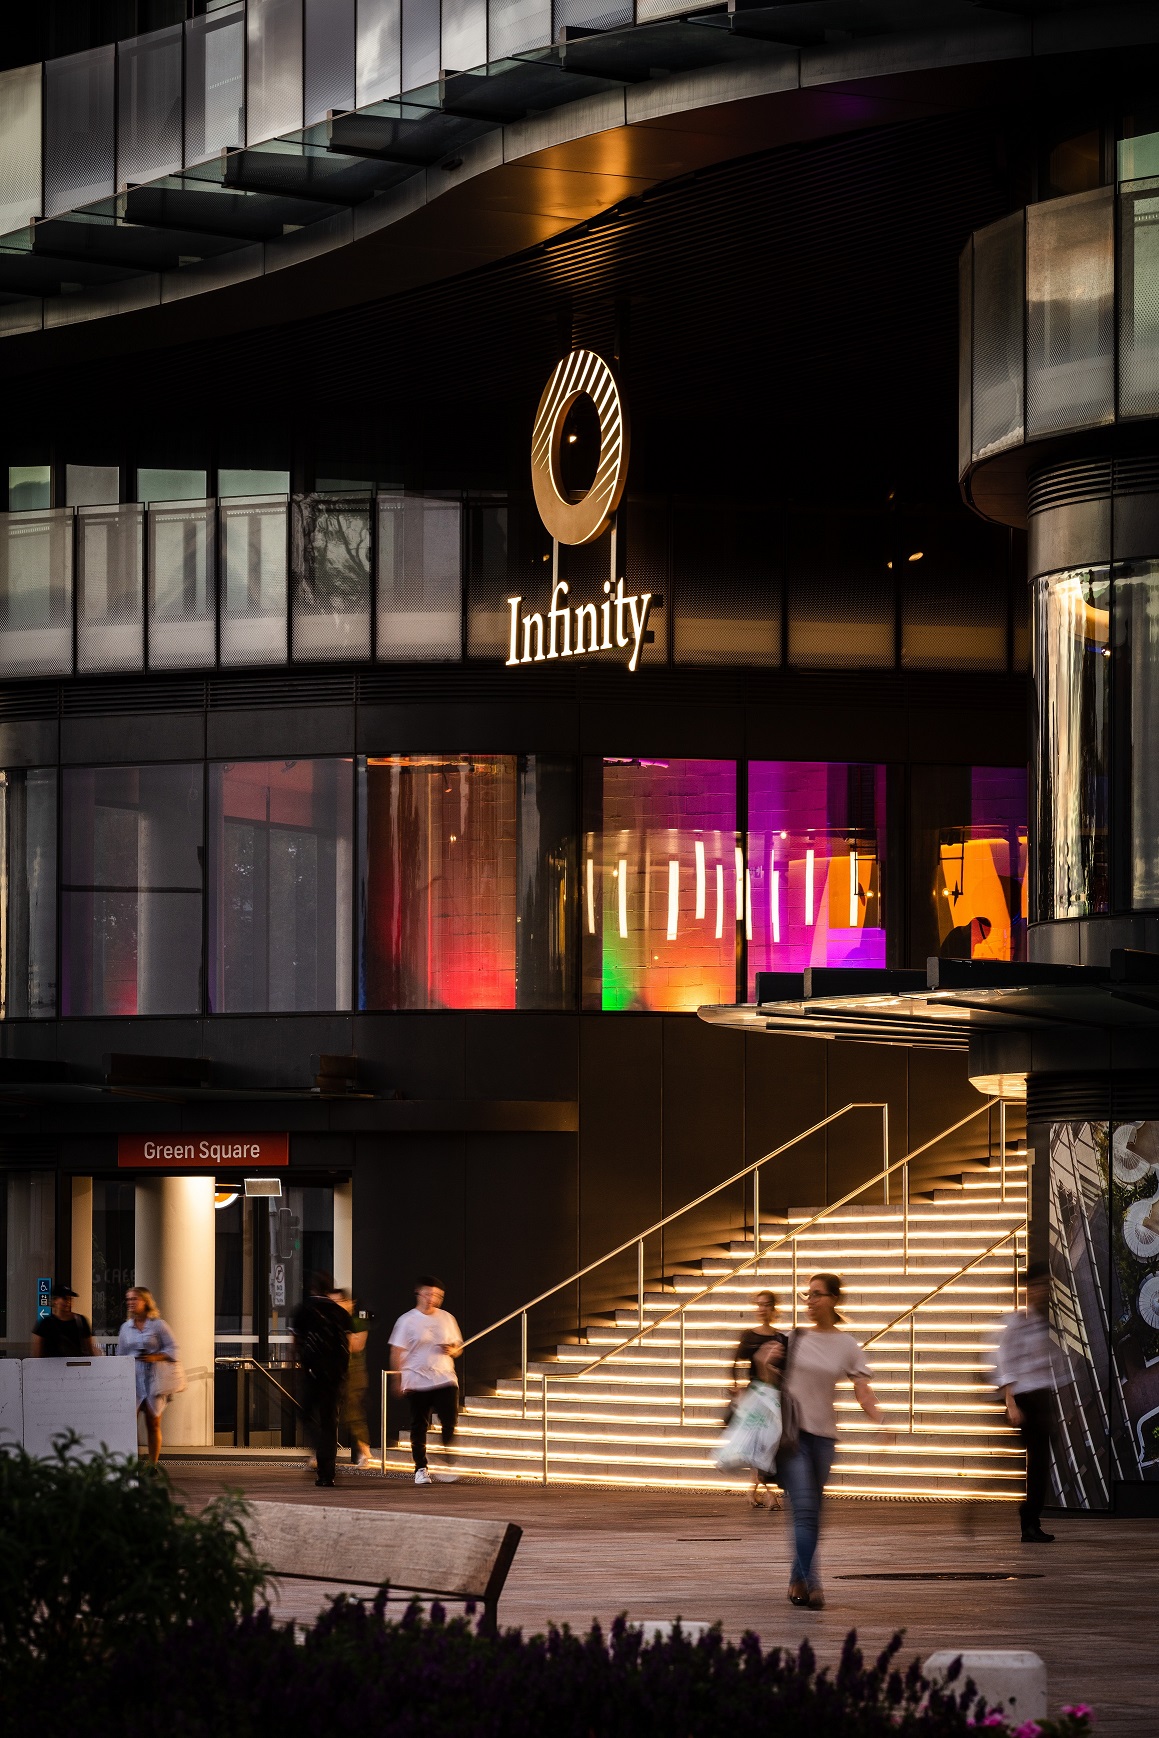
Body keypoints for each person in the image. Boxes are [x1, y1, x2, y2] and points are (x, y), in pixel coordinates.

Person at [779, 1272, 888, 1609]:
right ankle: (814, 1584)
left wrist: (879, 1417)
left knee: (811, 1512)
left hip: (824, 1439)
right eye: (807, 1295)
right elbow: (768, 1377)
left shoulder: (846, 1345)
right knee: (806, 1511)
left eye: (817, 1295)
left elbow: (862, 1388)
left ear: (834, 1300)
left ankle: (797, 1577)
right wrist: (764, 1364)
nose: (810, 1301)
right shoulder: (792, 1338)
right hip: (793, 1436)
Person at [994, 1261, 1055, 1543]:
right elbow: (1004, 1362)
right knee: (1037, 1461)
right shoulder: (1015, 1323)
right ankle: (1028, 1520)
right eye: (1038, 1286)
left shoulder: (1041, 1322)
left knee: (1041, 1463)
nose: (1043, 1291)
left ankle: (1031, 1520)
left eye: (1045, 1286)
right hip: (1025, 1398)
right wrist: (1011, 1403)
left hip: (1042, 1396)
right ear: (1028, 1289)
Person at [389, 1276, 463, 1486]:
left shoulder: (447, 1318)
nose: (433, 1299)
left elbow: (459, 1346)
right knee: (419, 1425)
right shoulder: (407, 1320)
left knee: (450, 1419)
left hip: (444, 1377)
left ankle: (447, 1453)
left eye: (438, 1296)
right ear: (419, 1293)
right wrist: (398, 1379)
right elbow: (397, 1350)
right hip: (417, 1379)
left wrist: (453, 1350)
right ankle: (421, 1468)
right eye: (429, 1294)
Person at [291, 1270, 351, 1488]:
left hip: (312, 1374)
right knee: (330, 1422)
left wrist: (298, 1365)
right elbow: (348, 1345)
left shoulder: (303, 1310)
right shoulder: (340, 1312)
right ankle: (328, 1474)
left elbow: (295, 1342)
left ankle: (319, 1447)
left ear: (311, 1288)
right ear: (329, 1288)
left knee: (306, 1414)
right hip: (336, 1376)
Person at [730, 1290, 786, 1509]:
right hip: (756, 1395)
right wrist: (736, 1387)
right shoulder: (750, 1335)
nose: (762, 1309)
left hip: (774, 1395)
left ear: (774, 1308)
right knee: (759, 1444)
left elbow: (784, 1368)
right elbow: (735, 1362)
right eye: (759, 1305)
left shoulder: (779, 1337)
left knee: (765, 1443)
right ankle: (769, 1493)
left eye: (767, 1305)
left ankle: (754, 1489)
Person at [116, 1286, 178, 1466]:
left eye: (134, 1299)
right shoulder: (125, 1327)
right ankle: (129, 1462)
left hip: (153, 1379)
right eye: (128, 1300)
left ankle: (153, 1464)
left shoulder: (158, 1325)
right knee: (128, 1425)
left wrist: (155, 1356)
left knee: (153, 1423)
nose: (131, 1303)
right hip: (132, 1379)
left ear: (145, 1301)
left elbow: (173, 1349)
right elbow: (121, 1354)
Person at [331, 1285, 372, 1467]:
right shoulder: (328, 1320)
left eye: (338, 1302)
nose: (334, 1306)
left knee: (353, 1413)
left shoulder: (357, 1321)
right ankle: (321, 1455)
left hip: (352, 1374)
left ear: (350, 1303)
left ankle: (365, 1452)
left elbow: (357, 1345)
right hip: (331, 1373)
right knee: (326, 1414)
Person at [32, 1283, 98, 1357]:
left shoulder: (80, 1321)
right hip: (52, 1367)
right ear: (55, 1300)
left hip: (77, 1366)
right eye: (64, 1298)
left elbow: (90, 1348)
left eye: (70, 1298)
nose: (68, 1302)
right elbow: (37, 1353)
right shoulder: (46, 1324)